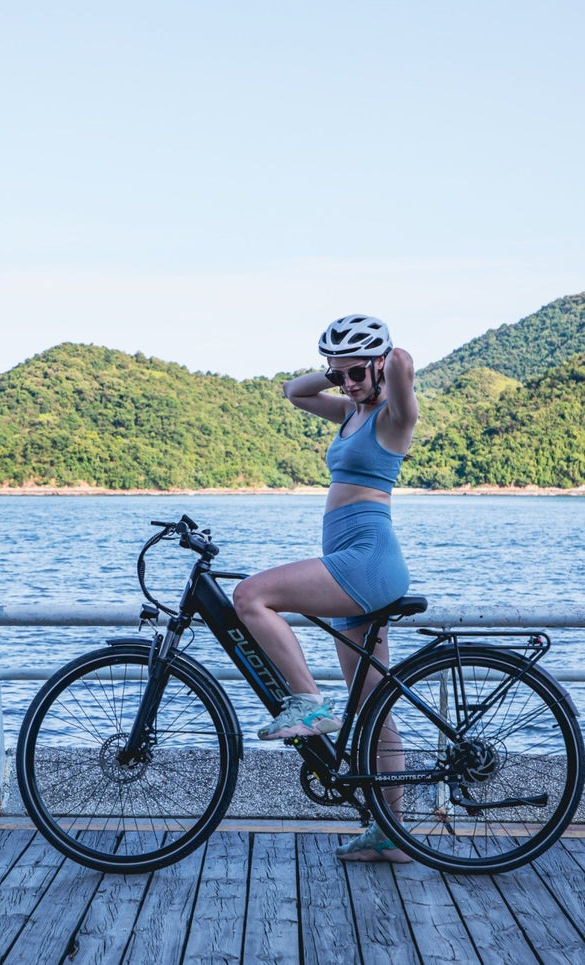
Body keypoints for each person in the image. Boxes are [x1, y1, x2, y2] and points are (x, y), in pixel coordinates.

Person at [231, 313, 418, 862]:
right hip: (350, 562)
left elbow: (403, 366)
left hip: (366, 561)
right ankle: (392, 835)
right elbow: (293, 391)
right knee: (373, 704)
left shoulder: (393, 418)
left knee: (251, 596)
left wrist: (381, 362)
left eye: (358, 372)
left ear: (379, 363)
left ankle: (307, 703)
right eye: (340, 374)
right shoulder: (351, 411)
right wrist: (342, 374)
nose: (350, 382)